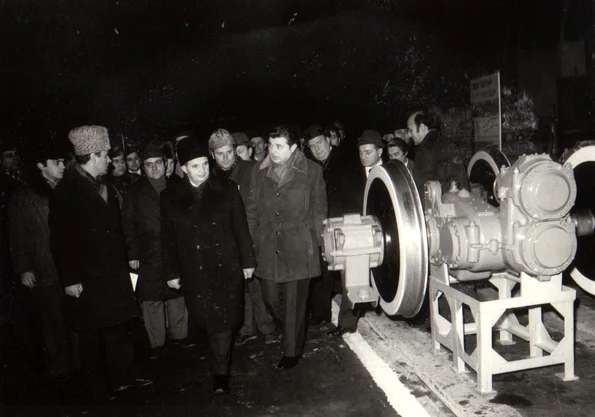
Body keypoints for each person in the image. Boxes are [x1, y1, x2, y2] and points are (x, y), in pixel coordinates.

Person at [49, 125, 151, 400]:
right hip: (87, 276)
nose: (109, 160)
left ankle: (124, 376)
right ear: (92, 156)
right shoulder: (66, 192)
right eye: (105, 155)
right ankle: (100, 387)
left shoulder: (103, 186)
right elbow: (60, 241)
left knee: (119, 325)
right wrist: (70, 280)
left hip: (112, 272)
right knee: (93, 332)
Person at [161, 136, 256, 394]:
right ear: (183, 168)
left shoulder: (227, 189)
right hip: (194, 269)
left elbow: (241, 229)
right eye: (195, 166)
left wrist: (247, 262)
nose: (202, 170)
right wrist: (171, 272)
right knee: (205, 321)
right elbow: (167, 239)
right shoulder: (170, 197)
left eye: (205, 164)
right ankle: (218, 362)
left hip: (225, 267)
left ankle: (220, 374)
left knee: (223, 324)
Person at [245, 125, 327, 369]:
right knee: (271, 299)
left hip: (299, 245)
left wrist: (317, 245)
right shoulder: (258, 173)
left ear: (293, 148)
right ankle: (295, 326)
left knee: (293, 302)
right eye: (270, 146)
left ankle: (291, 351)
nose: (273, 151)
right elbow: (251, 212)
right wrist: (250, 246)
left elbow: (319, 212)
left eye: (279, 146)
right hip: (268, 245)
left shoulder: (312, 172)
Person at [8, 142, 79, 381]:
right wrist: (24, 268)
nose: (61, 166)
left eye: (62, 162)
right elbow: (18, 236)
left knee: (74, 319)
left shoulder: (69, 190)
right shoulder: (25, 197)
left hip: (70, 266)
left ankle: (78, 366)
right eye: (56, 163)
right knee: (52, 322)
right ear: (41, 166)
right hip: (44, 267)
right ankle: (59, 370)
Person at [121, 143, 192, 360]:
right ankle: (157, 343)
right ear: (143, 167)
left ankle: (180, 337)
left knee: (176, 295)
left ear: (165, 164)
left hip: (175, 250)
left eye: (158, 163)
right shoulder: (134, 192)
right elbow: (128, 225)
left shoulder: (178, 185)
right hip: (148, 252)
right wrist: (132, 255)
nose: (154, 168)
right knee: (151, 297)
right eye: (149, 165)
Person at [208, 129, 275, 344]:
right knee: (239, 286)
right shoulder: (210, 178)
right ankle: (246, 326)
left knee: (258, 282)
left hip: (253, 234)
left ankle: (267, 324)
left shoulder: (251, 170)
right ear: (212, 155)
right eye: (220, 154)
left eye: (229, 152)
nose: (226, 157)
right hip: (229, 240)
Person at [328, 129, 384, 337]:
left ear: (380, 151)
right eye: (360, 152)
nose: (363, 157)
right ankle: (347, 323)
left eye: (368, 152)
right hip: (360, 236)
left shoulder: (391, 173)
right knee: (351, 278)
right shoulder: (351, 175)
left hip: (386, 235)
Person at [305, 127, 344, 326]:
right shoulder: (312, 166)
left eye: (319, 143)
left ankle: (348, 319)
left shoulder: (345, 161)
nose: (317, 149)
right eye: (312, 146)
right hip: (322, 225)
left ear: (329, 140)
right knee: (321, 269)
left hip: (342, 225)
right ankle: (321, 315)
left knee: (346, 273)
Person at [407, 110, 469, 196]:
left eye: (411, 130)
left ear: (422, 127)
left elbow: (421, 187)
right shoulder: (446, 140)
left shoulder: (424, 149)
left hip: (441, 205)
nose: (409, 135)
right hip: (460, 199)